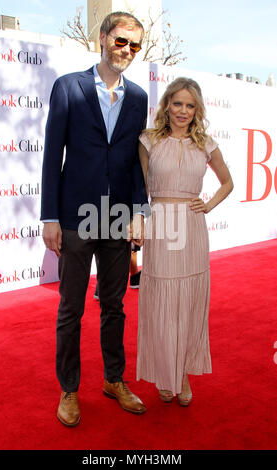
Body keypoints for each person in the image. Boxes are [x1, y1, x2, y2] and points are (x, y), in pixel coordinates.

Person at [41, 11, 148, 427]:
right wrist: (50, 216)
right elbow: (53, 155)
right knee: (70, 307)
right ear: (103, 38)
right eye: (121, 41)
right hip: (74, 215)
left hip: (119, 216)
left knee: (115, 305)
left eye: (135, 46)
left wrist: (140, 211)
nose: (127, 51)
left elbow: (137, 163)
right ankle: (69, 389)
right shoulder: (68, 86)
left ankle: (113, 379)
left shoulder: (138, 97)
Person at [136, 77, 233, 405]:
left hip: (192, 227)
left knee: (188, 304)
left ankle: (182, 374)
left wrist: (208, 205)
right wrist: (137, 222)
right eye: (177, 103)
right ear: (166, 105)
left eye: (190, 105)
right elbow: (139, 190)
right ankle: (165, 372)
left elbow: (227, 182)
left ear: (197, 109)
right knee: (162, 300)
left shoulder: (205, 142)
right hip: (161, 225)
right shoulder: (149, 140)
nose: (183, 111)